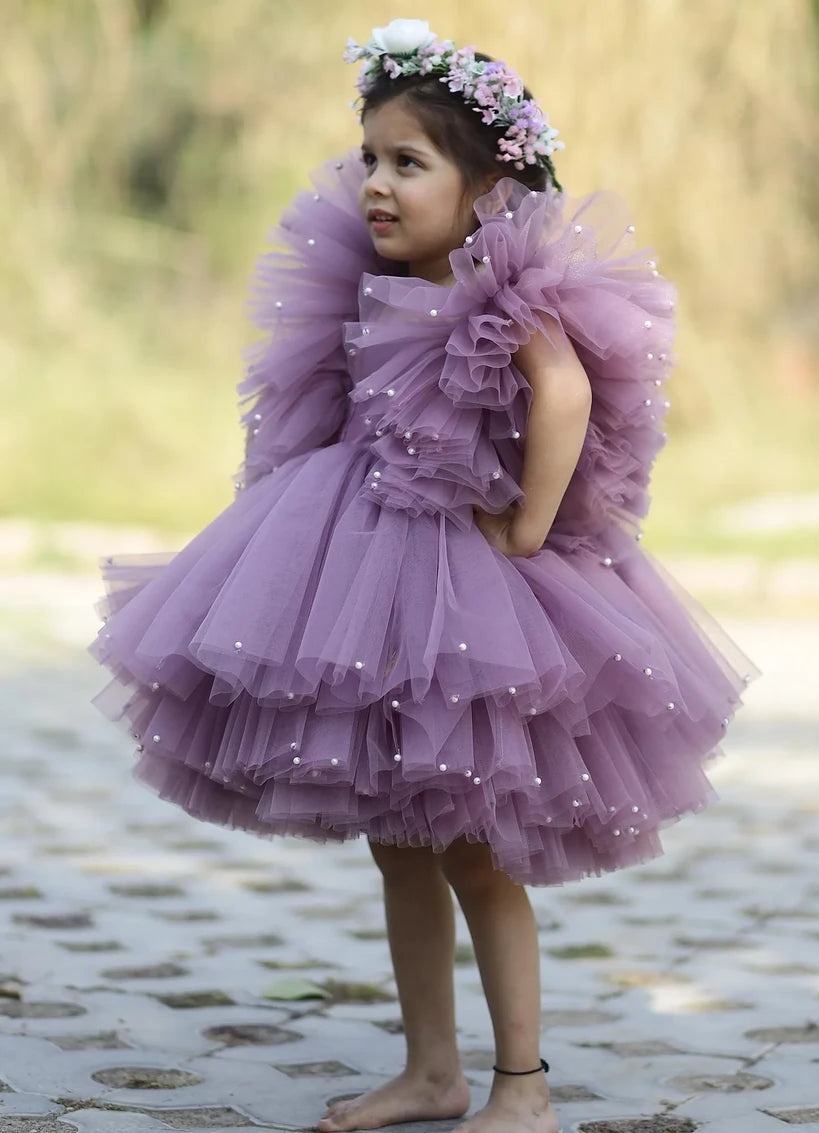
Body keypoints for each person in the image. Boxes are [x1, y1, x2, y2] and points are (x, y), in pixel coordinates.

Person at [88, 19, 759, 1133]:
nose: (379, 187)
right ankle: (431, 1069)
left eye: (410, 163)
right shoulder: (365, 276)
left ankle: (522, 1085)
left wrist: (531, 526)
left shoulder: (508, 288)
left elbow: (565, 393)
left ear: (487, 185)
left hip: (467, 588)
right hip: (354, 565)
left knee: (476, 851)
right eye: (370, 161)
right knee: (397, 843)